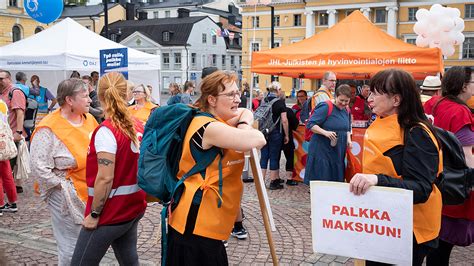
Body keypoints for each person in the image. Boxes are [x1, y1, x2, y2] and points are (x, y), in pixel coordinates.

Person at [166, 70, 266, 265]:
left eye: (238, 93)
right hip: (195, 222)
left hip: (205, 221)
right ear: (211, 99)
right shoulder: (209, 127)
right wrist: (245, 126)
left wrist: (243, 120)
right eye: (231, 95)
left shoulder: (216, 120)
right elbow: (257, 138)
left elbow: (245, 111)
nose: (238, 99)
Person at [349, 69, 442, 266]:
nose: (369, 98)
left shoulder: (417, 133)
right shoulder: (382, 122)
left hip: (410, 229)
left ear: (396, 100)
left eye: (375, 93)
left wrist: (377, 180)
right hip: (383, 222)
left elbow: (421, 189)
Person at [71, 72, 147, 265]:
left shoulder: (107, 130)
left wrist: (94, 214)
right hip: (132, 206)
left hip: (110, 212)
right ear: (126, 94)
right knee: (129, 260)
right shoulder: (136, 125)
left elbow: (104, 178)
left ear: (100, 95)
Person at [30, 78, 98, 265]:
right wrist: (62, 187)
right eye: (85, 96)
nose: (90, 100)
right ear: (69, 100)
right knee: (71, 246)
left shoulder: (89, 119)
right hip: (66, 194)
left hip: (90, 190)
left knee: (88, 243)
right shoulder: (49, 127)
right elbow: (38, 165)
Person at [425, 66, 474, 266]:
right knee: (445, 242)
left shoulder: (433, 105)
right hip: (457, 186)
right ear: (463, 86)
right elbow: (467, 155)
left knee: (438, 243)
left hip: (435, 181)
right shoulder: (460, 112)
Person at [304, 84, 351, 184]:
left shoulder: (346, 110)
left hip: (338, 151)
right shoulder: (326, 106)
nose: (343, 103)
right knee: (322, 180)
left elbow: (347, 128)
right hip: (322, 150)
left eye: (346, 101)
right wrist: (325, 133)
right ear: (335, 96)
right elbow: (311, 124)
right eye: (341, 100)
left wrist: (348, 139)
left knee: (335, 181)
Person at [259, 82, 289, 190]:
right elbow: (284, 121)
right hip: (275, 132)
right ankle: (273, 182)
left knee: (264, 156)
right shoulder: (280, 102)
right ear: (278, 90)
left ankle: (261, 181)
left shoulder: (263, 101)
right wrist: (287, 135)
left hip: (263, 132)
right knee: (274, 156)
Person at [0, 70, 26, 193]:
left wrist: (18, 132)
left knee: (8, 165)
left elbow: (20, 113)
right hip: (4, 135)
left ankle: (10, 193)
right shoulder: (2, 93)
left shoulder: (15, 92)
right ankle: (12, 189)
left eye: (1, 79)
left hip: (12, 135)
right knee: (7, 165)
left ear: (9, 79)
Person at [0, 98, 18, 214]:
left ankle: (0, 205)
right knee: (7, 174)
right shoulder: (2, 103)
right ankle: (12, 202)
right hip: (3, 143)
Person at [280, 89, 299, 186]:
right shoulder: (288, 111)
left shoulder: (272, 109)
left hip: (275, 136)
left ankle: (274, 178)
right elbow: (295, 124)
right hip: (287, 137)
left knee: (274, 157)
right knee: (289, 157)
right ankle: (289, 178)